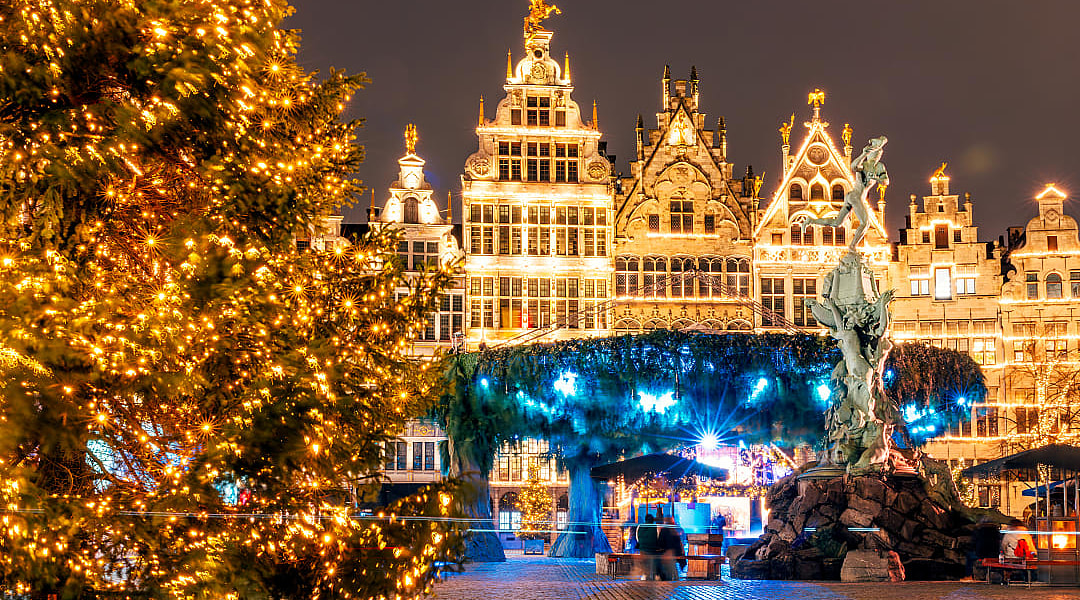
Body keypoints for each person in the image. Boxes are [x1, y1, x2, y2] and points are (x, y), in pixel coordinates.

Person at [657, 516, 686, 581]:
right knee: (673, 570)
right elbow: (679, 542)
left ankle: (670, 582)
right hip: (674, 553)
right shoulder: (675, 530)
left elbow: (660, 542)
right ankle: (674, 582)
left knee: (669, 571)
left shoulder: (664, 530)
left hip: (667, 554)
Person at [635, 514, 660, 581]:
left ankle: (645, 575)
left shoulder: (640, 526)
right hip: (653, 549)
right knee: (653, 562)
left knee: (645, 563)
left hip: (643, 549)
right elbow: (658, 537)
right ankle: (654, 575)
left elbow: (637, 538)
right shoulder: (655, 527)